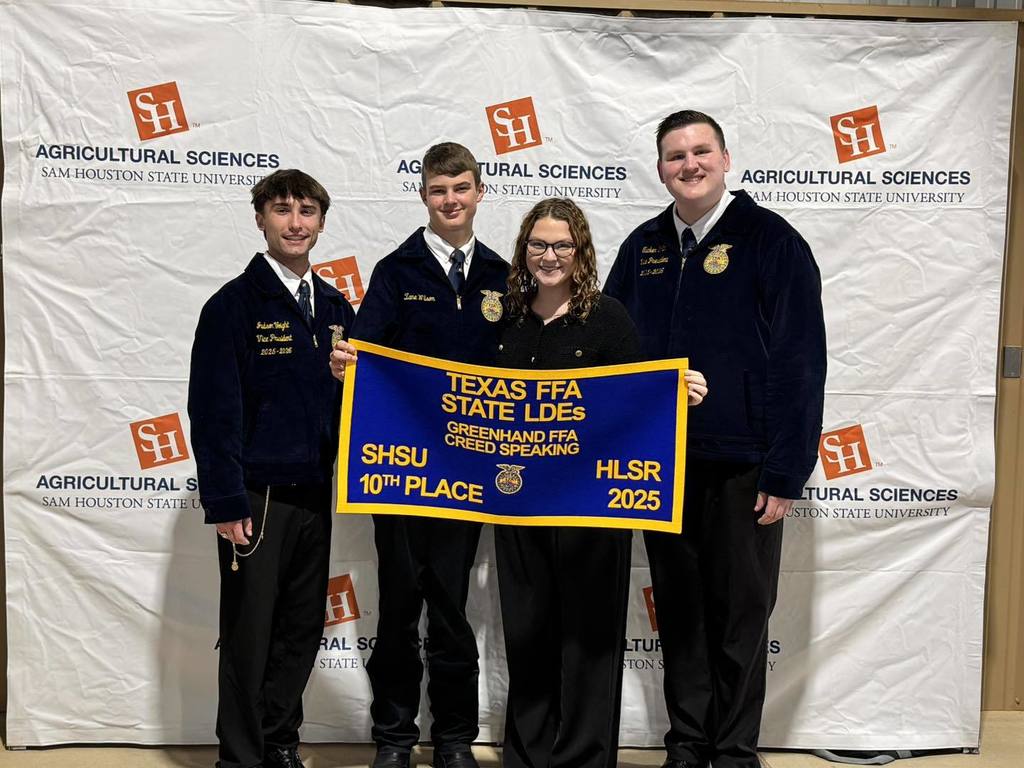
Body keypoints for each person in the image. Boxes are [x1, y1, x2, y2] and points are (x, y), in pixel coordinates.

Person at [604, 110, 827, 768]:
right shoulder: (643, 246)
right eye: (675, 156)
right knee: (679, 611)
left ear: (726, 160)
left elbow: (801, 362)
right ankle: (687, 743)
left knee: (738, 615)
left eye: (701, 152)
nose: (689, 164)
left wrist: (785, 472)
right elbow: (610, 348)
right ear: (660, 169)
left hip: (744, 467)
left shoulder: (771, 241)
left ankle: (732, 752)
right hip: (662, 466)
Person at [494, 198, 707, 768]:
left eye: (562, 245)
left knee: (589, 645)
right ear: (524, 252)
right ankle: (528, 756)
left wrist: (672, 393)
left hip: (594, 514)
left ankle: (585, 759)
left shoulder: (608, 318)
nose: (549, 255)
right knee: (528, 637)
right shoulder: (506, 321)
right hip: (518, 510)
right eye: (538, 244)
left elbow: (635, 400)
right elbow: (453, 398)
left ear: (581, 252)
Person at [330, 143, 508, 768]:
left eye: (461, 187)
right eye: (439, 190)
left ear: (480, 192)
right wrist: (346, 362)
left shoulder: (501, 275)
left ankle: (455, 738)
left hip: (471, 472)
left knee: (454, 609)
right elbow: (363, 359)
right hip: (401, 476)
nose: (451, 200)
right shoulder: (395, 271)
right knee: (403, 606)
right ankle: (395, 738)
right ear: (424, 196)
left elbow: (522, 369)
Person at [188, 169, 355, 768]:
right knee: (249, 634)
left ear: (321, 222)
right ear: (259, 218)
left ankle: (281, 741)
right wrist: (227, 503)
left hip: (315, 492)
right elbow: (213, 412)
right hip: (256, 498)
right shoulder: (232, 305)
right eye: (282, 210)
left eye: (306, 211)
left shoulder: (337, 307)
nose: (295, 223)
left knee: (301, 629)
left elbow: (353, 406)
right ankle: (239, 755)